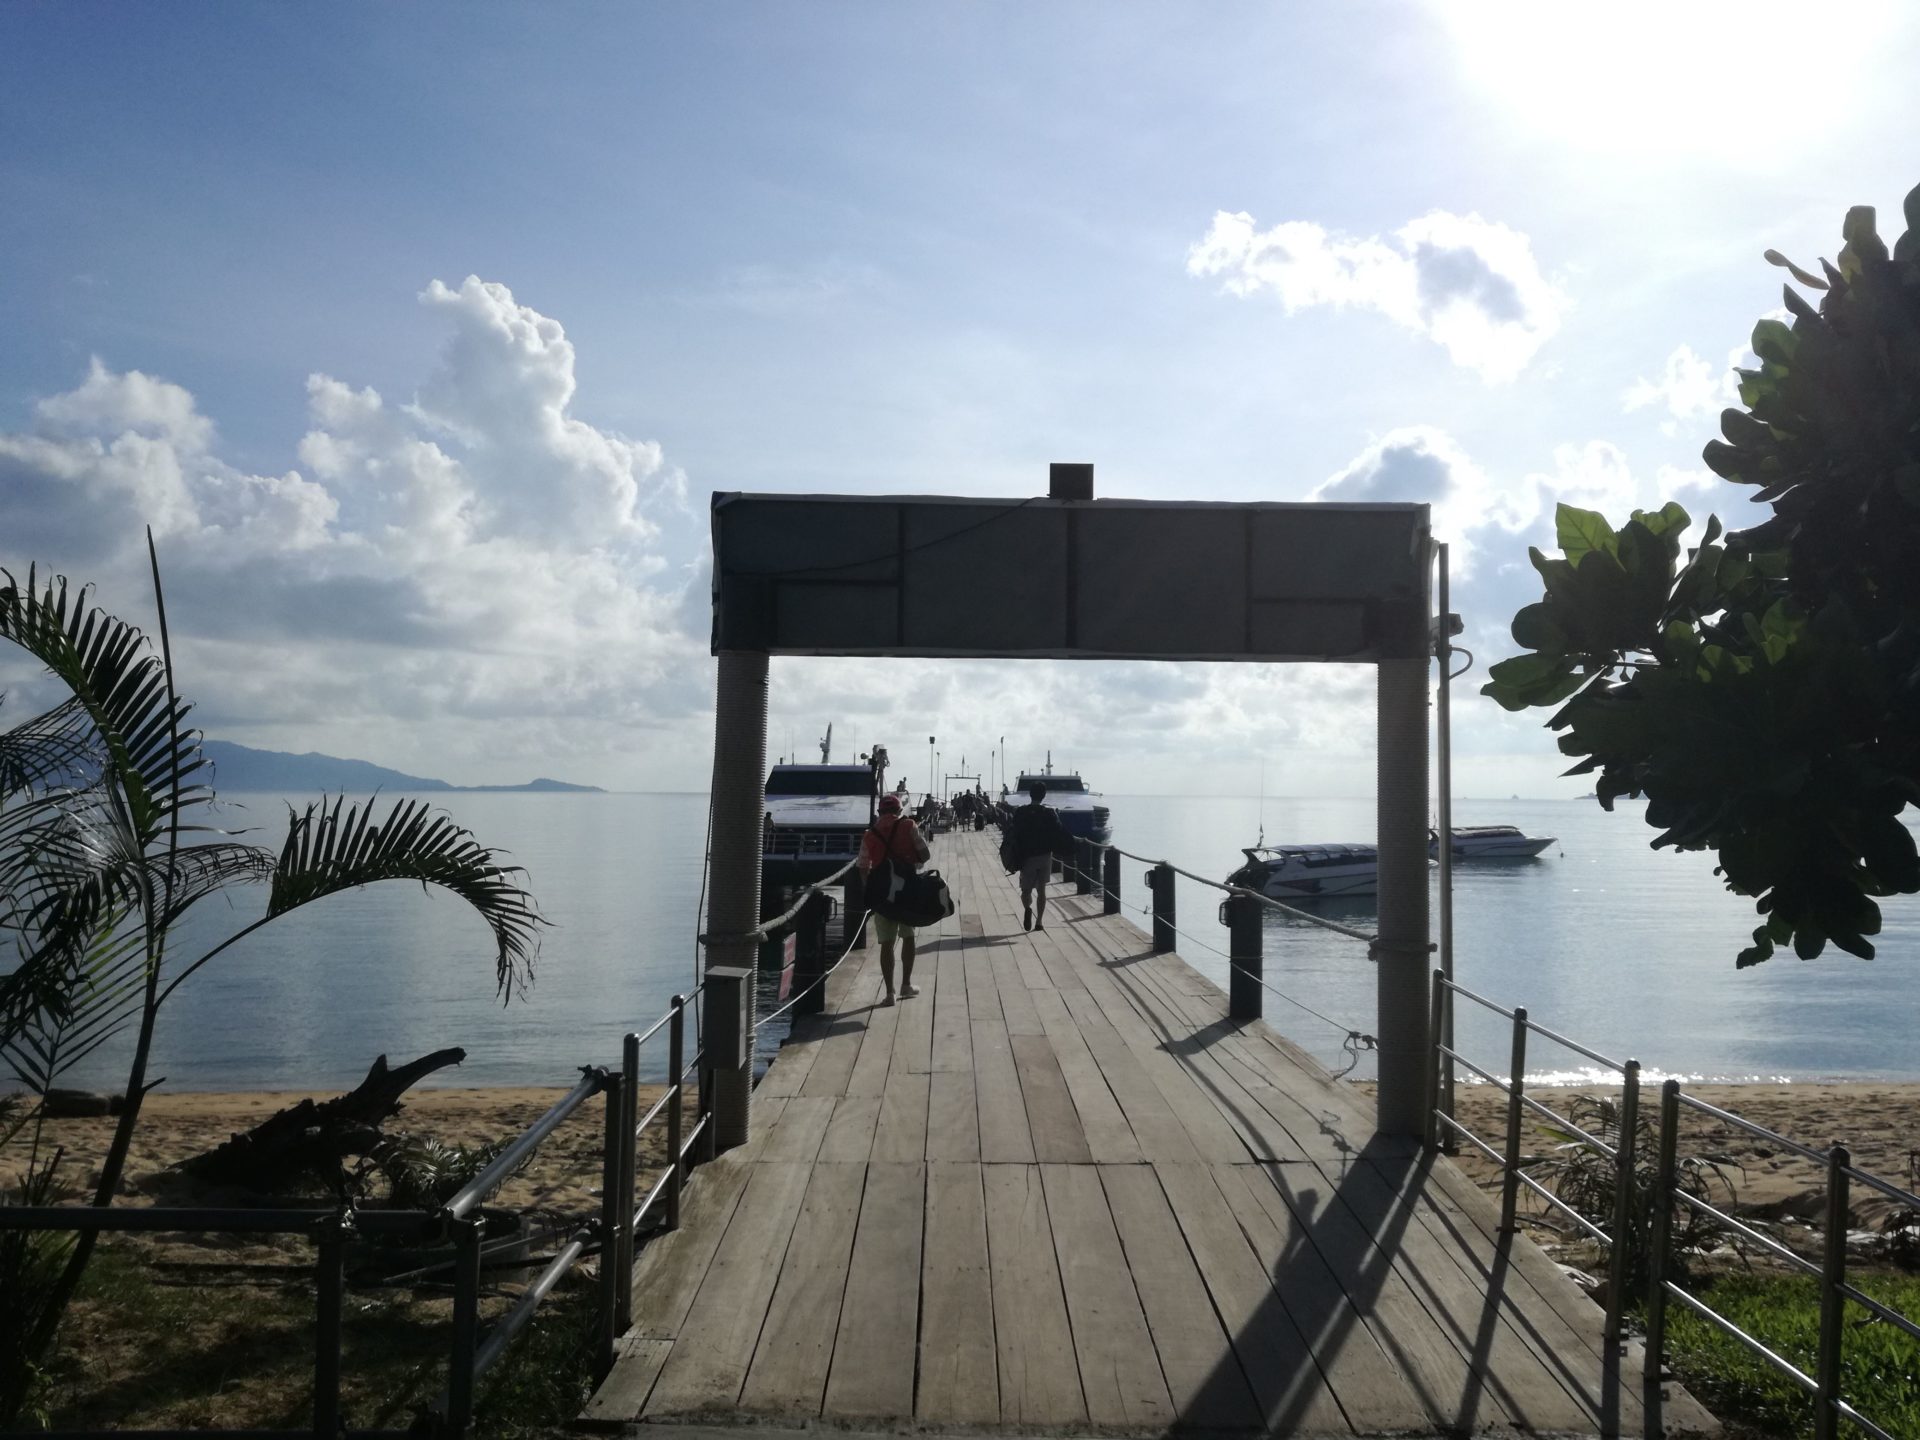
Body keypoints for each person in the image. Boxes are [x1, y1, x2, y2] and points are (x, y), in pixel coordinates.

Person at [858, 792, 930, 1005]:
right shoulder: (909, 826)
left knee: (886, 943)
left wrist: (869, 888)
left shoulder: (869, 834)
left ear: (879, 812)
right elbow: (925, 854)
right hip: (907, 890)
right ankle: (906, 984)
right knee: (908, 936)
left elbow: (863, 866)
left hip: (882, 894)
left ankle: (889, 993)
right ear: (899, 810)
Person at [1006, 780, 1070, 932]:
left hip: (1027, 856)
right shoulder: (1049, 813)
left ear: (1030, 794)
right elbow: (1059, 831)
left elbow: (1013, 830)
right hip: (1045, 855)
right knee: (1042, 890)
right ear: (1043, 795)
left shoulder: (1021, 812)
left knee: (1025, 891)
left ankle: (1028, 909)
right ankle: (1039, 922)